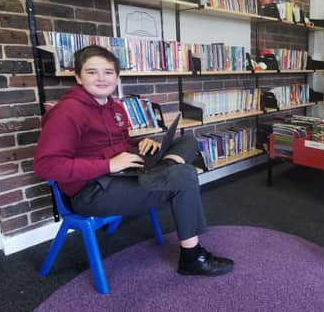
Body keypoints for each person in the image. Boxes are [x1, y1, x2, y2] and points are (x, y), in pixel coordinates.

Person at [34, 45, 233, 276]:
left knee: (187, 142)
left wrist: (141, 143)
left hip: (121, 173)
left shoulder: (114, 107)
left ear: (117, 77)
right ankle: (191, 257)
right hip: (91, 191)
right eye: (92, 72)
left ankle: (163, 170)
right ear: (78, 76)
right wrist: (109, 165)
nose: (101, 78)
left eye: (108, 72)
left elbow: (119, 141)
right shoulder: (67, 112)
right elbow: (46, 166)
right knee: (185, 176)